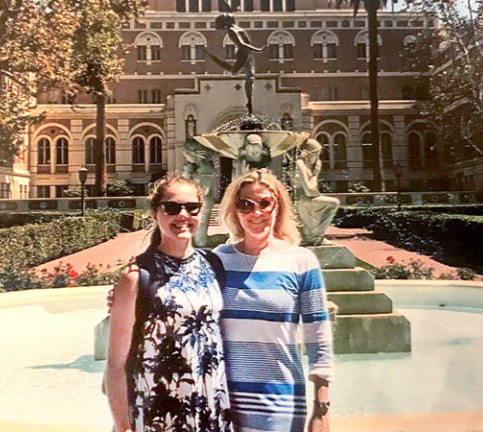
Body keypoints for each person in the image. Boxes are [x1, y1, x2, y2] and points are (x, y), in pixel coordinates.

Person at [106, 173, 234, 432]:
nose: (183, 215)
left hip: (211, 410)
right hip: (158, 414)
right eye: (172, 208)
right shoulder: (136, 277)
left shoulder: (213, 264)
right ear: (155, 214)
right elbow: (116, 364)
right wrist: (123, 425)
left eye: (192, 207)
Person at [214, 168, 334, 432]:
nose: (256, 212)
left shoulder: (300, 261)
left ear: (277, 206)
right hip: (223, 402)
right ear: (235, 210)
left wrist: (321, 408)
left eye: (264, 203)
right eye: (245, 204)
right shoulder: (218, 259)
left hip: (280, 402)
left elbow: (318, 336)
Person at [203, 13, 265, 115]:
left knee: (234, 72)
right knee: (249, 78)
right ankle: (249, 103)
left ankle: (213, 58)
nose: (222, 30)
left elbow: (242, 45)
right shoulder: (239, 29)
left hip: (244, 53)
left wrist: (258, 50)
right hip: (248, 53)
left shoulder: (231, 31)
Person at [294, 139, 340, 246]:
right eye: (316, 155)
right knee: (334, 203)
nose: (317, 158)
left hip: (307, 200)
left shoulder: (306, 165)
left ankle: (315, 236)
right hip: (303, 200)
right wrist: (315, 174)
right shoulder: (300, 164)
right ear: (310, 154)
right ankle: (315, 237)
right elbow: (310, 191)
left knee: (332, 203)